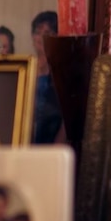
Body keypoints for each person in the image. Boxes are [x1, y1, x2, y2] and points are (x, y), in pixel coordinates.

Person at [31, 11, 62, 143]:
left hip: (52, 138)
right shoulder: (26, 66)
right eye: (38, 32)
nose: (41, 37)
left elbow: (68, 117)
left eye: (47, 33)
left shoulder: (62, 71)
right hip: (27, 138)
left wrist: (59, 143)